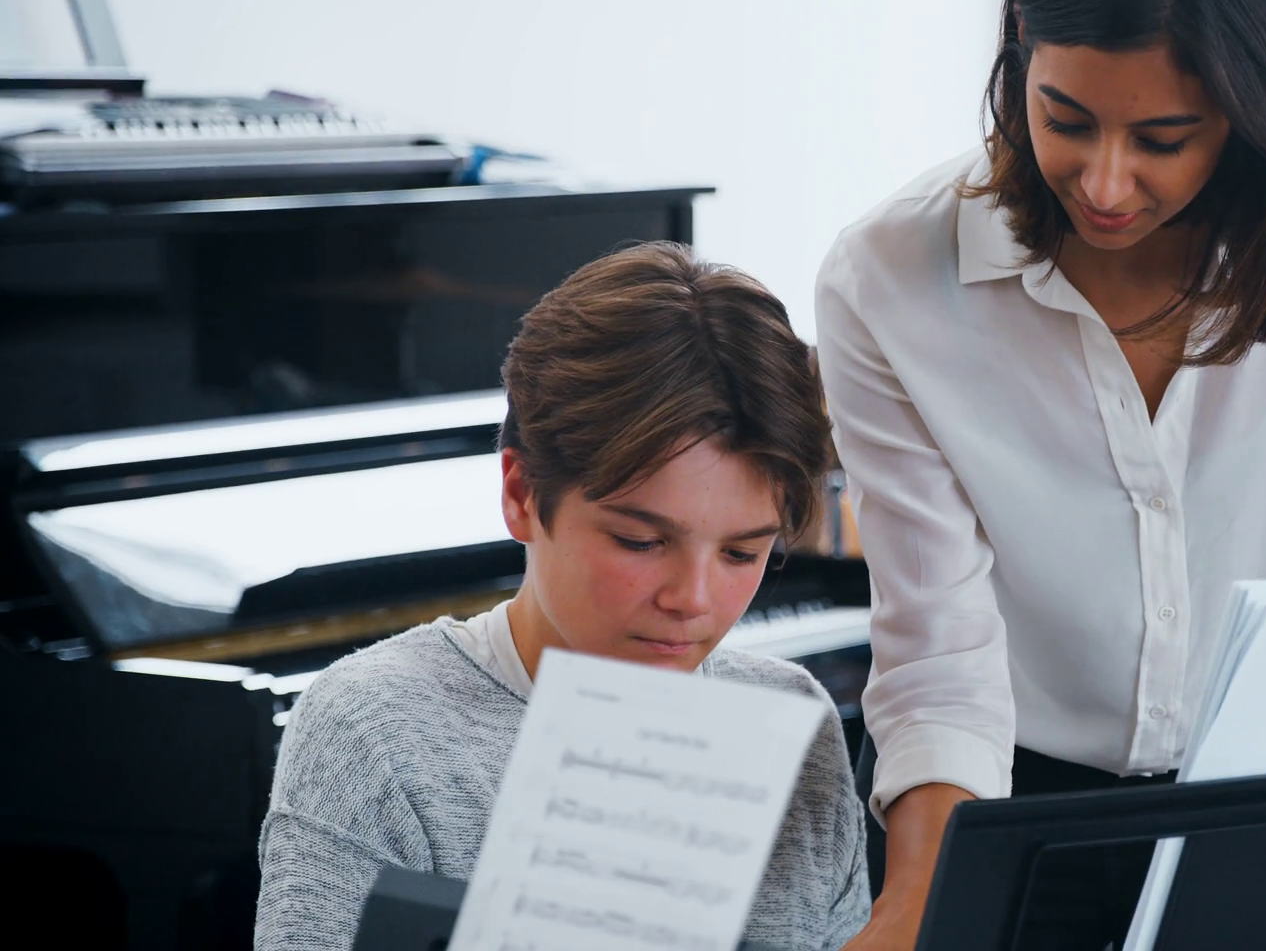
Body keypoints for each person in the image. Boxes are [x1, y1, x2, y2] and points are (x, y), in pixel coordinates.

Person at [815, 0, 1266, 947]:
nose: (1105, 185)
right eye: (1064, 119)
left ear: (1254, 111)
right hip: (998, 804)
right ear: (1019, 51)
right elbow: (938, 645)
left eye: (1163, 139)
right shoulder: (889, 276)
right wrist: (918, 900)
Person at [255, 243, 870, 951]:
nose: (694, 600)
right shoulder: (374, 732)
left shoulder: (792, 718)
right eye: (640, 542)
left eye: (742, 552)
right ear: (520, 494)